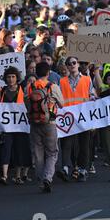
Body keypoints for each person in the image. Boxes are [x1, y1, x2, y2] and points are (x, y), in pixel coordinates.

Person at [27, 62, 64, 193]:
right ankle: (47, 178)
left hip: (34, 123)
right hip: (50, 123)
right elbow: (62, 104)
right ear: (48, 73)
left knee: (37, 153)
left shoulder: (30, 87)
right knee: (52, 153)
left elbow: (27, 104)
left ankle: (41, 179)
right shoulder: (53, 87)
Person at [58, 56, 96, 182]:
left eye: (74, 63)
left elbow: (92, 94)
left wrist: (92, 99)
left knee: (84, 144)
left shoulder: (86, 79)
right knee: (67, 143)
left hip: (83, 116)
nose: (72, 65)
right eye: (69, 64)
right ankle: (65, 168)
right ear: (67, 66)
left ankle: (82, 170)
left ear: (78, 64)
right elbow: (59, 97)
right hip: (67, 117)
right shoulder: (62, 81)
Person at [0, 66, 31, 185]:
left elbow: (26, 106)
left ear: (17, 78)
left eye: (13, 77)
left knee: (19, 149)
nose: (11, 79)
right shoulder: (2, 91)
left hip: (20, 126)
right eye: (8, 77)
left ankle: (17, 176)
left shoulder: (22, 90)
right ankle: (4, 175)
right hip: (7, 127)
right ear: (5, 79)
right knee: (6, 149)